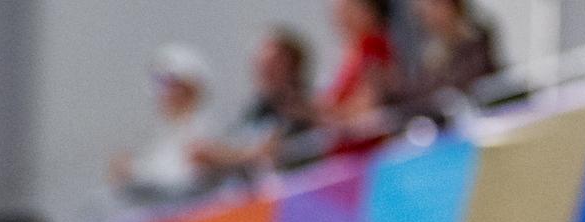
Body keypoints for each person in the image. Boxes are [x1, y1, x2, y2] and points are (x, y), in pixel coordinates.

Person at [190, 28, 317, 182]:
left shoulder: (304, 107)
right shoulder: (258, 108)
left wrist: (229, 156)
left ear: (292, 66)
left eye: (272, 65)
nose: (265, 71)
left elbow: (270, 152)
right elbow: (237, 141)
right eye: (261, 65)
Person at [108, 45, 219, 205]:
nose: (162, 93)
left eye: (169, 84)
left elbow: (180, 183)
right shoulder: (168, 131)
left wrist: (134, 172)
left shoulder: (201, 129)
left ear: (189, 89)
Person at [319, 0, 399, 151]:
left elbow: (367, 106)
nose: (340, 17)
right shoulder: (352, 51)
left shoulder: (374, 47)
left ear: (368, 11)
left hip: (368, 147)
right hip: (348, 146)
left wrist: (324, 113)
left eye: (347, 10)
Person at [400, 0, 501, 118]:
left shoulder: (476, 41)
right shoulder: (432, 53)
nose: (430, 17)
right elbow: (419, 96)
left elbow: (468, 85)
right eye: (423, 13)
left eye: (434, 6)